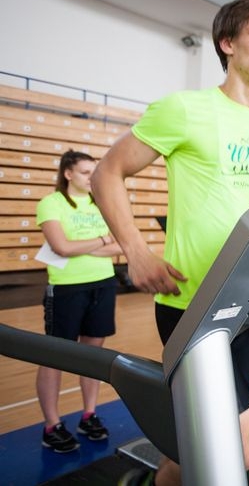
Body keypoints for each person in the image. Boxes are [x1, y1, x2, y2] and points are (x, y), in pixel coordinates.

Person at [92, 0, 249, 485]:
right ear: (227, 44)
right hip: (194, 308)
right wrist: (137, 252)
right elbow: (107, 173)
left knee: (211, 441)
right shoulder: (185, 109)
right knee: (246, 446)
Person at [36, 150, 122, 453]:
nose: (91, 178)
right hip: (67, 289)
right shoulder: (51, 203)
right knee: (55, 356)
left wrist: (80, 246)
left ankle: (89, 415)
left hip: (103, 283)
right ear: (68, 173)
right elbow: (60, 247)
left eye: (94, 172)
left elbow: (120, 246)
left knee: (92, 355)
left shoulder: (103, 202)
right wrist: (102, 241)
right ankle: (52, 425)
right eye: (85, 172)